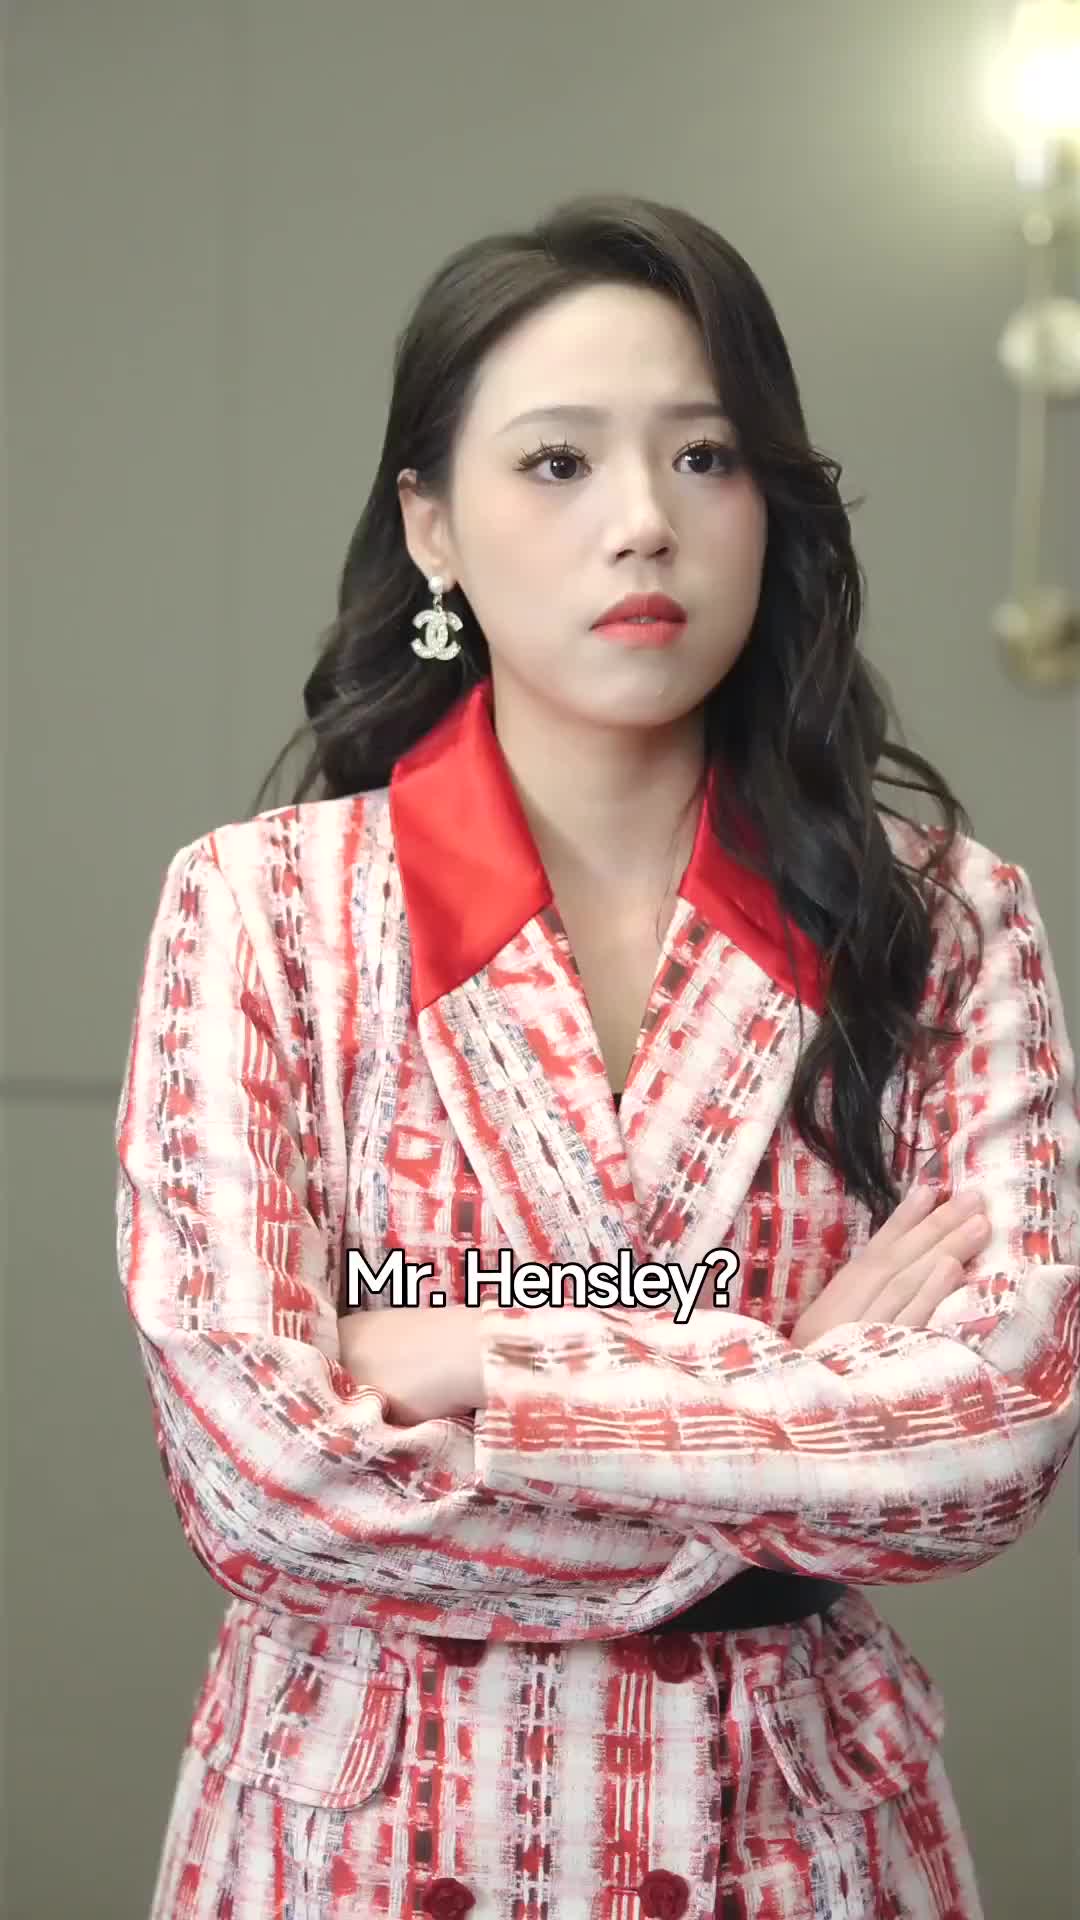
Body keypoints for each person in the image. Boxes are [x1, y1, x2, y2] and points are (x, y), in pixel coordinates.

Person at [115, 192, 1079, 1920]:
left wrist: (482, 1366)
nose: (643, 522)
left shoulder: (947, 917)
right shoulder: (260, 910)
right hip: (357, 1849)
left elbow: (989, 1450)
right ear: (432, 523)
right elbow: (264, 1489)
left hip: (802, 1844)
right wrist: (792, 1377)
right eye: (558, 462)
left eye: (706, 458)